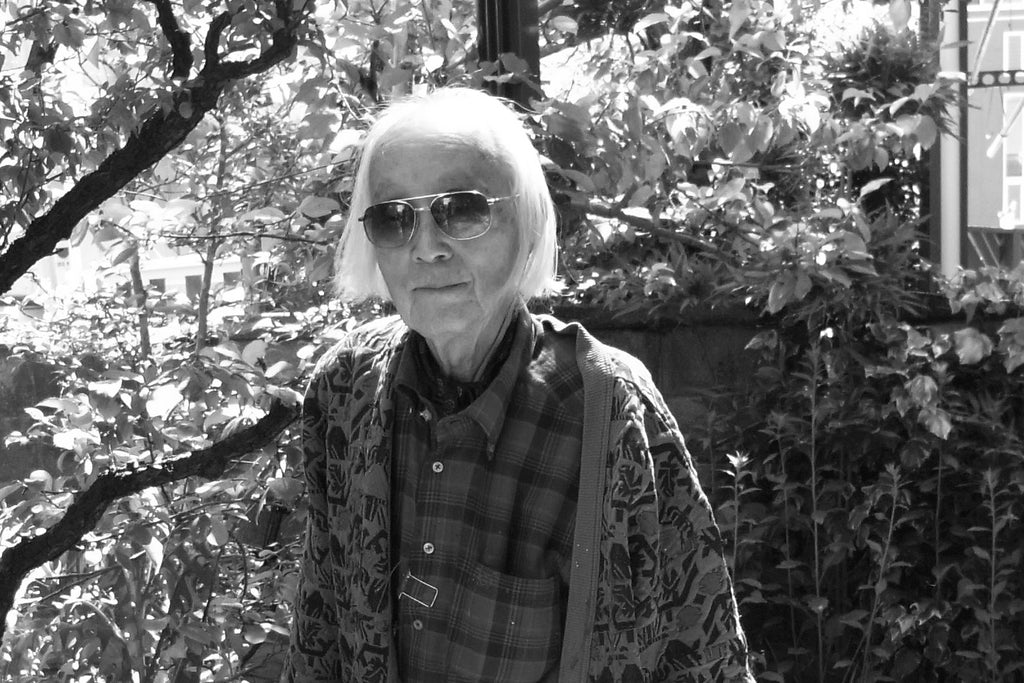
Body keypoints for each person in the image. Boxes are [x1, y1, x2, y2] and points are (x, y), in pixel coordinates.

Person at [284, 87, 754, 682]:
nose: (426, 248)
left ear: (527, 224)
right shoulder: (345, 388)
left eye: (461, 210)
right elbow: (321, 630)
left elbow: (701, 652)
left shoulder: (608, 411)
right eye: (393, 218)